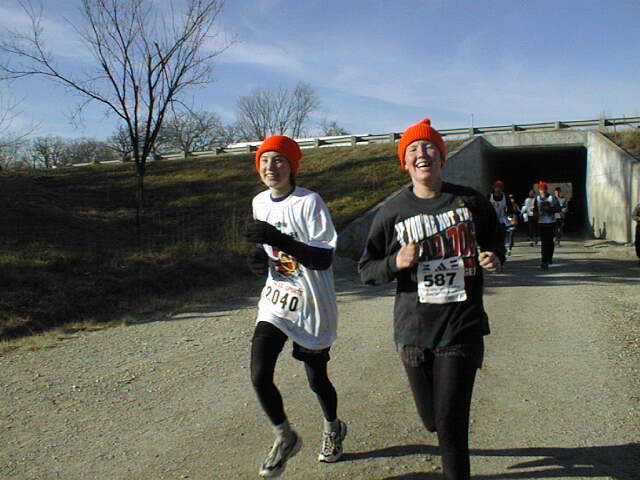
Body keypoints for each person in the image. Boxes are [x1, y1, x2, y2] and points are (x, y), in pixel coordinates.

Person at [359, 118, 505, 480]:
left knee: (451, 425)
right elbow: (367, 269)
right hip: (413, 332)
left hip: (461, 327)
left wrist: (494, 256)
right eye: (413, 149)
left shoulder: (470, 202)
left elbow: (495, 240)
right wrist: (396, 262)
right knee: (433, 420)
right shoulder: (392, 211)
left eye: (429, 147)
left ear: (441, 157)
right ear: (405, 162)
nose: (421, 153)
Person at [244, 135, 347, 478]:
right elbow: (266, 250)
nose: (270, 167)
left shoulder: (309, 202)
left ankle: (333, 426)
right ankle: (285, 436)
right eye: (264, 160)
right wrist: (257, 258)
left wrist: (278, 239)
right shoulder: (259, 202)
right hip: (277, 300)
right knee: (259, 373)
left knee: (317, 379)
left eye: (278, 160)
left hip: (311, 303)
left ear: (292, 166)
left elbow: (322, 258)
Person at [536, 181, 560, 270]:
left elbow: (558, 208)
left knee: (550, 242)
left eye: (544, 190)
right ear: (539, 190)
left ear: (547, 190)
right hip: (541, 223)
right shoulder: (537, 199)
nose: (543, 191)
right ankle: (544, 261)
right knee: (544, 243)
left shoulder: (552, 198)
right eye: (541, 190)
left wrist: (549, 209)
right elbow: (534, 210)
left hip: (551, 223)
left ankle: (549, 257)